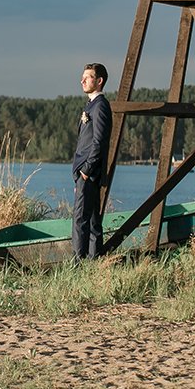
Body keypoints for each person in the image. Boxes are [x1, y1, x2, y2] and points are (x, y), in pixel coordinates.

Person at [72, 62, 112, 260]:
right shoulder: (91, 105)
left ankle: (77, 264)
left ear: (99, 81)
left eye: (87, 77)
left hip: (89, 172)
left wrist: (86, 171)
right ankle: (94, 261)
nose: (82, 80)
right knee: (93, 220)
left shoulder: (100, 106)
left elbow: (99, 142)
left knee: (80, 219)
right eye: (83, 76)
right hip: (86, 173)